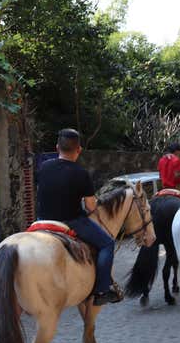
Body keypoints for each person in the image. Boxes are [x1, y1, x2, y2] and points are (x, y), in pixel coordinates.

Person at [36, 128, 121, 305]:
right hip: (71, 221)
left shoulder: (43, 167)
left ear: (57, 147)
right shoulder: (81, 173)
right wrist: (95, 203)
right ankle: (101, 290)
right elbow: (90, 206)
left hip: (41, 221)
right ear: (79, 150)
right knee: (107, 243)